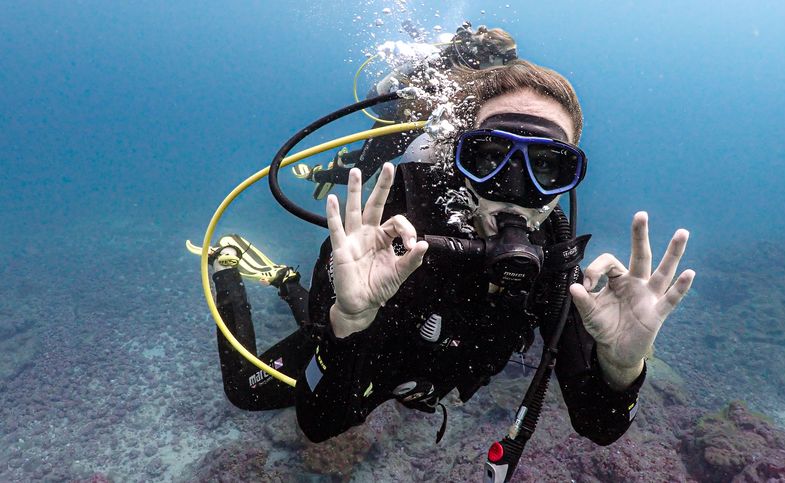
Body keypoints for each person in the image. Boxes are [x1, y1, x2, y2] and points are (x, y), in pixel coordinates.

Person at [207, 59, 695, 448]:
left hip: (426, 376)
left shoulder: (556, 269)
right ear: (462, 160)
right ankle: (226, 266)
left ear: (567, 181)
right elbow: (319, 423)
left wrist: (621, 368)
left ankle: (287, 283)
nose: (514, 190)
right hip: (367, 362)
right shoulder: (391, 226)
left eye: (546, 167)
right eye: (490, 158)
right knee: (245, 390)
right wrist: (350, 320)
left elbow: (599, 426)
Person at [291, 23, 518, 199]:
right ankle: (314, 174)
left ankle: (343, 158)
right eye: (507, 59)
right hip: (396, 115)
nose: (509, 66)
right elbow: (420, 91)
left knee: (378, 157)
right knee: (362, 174)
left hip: (412, 126)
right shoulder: (450, 63)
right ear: (489, 55)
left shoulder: (465, 61)